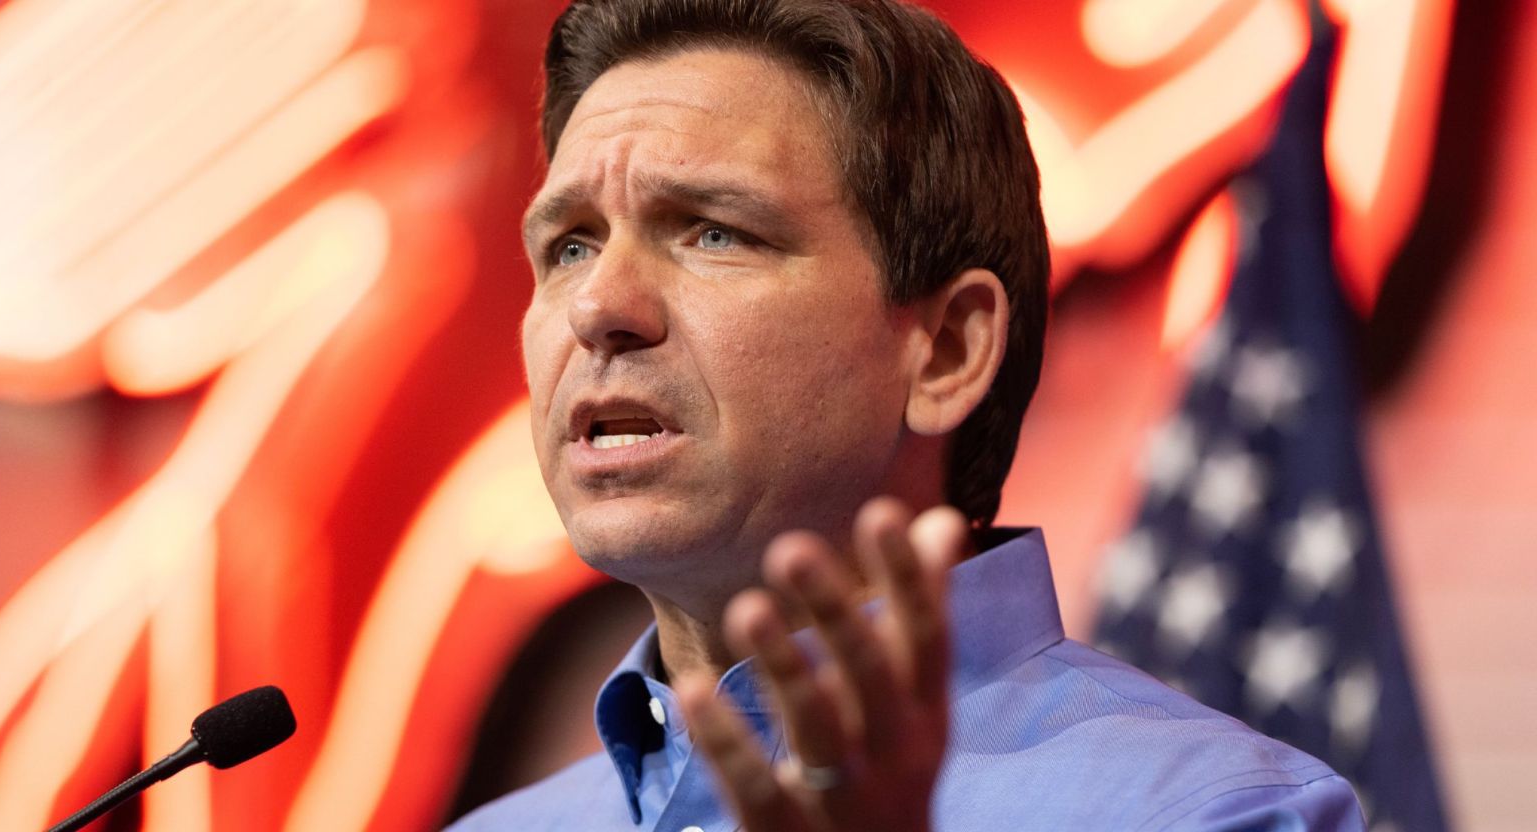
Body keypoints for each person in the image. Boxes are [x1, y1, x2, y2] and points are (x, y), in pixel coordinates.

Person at [448, 0, 1364, 829]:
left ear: (948, 350)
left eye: (714, 231)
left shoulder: (1220, 815)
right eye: (569, 246)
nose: (597, 306)